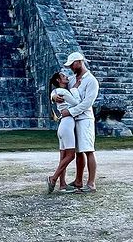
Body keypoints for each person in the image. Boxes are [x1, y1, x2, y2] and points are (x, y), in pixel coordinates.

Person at [55, 51, 99, 193]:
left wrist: (70, 112)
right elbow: (61, 91)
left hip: (85, 118)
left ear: (79, 62)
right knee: (79, 152)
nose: (71, 68)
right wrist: (53, 97)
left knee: (88, 150)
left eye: (72, 64)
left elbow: (87, 103)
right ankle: (78, 180)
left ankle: (91, 183)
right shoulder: (73, 80)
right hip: (74, 120)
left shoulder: (91, 81)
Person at [46, 72, 81, 193]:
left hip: (62, 126)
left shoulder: (56, 92)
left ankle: (62, 185)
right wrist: (75, 89)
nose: (66, 77)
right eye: (63, 76)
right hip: (67, 125)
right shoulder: (64, 92)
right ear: (58, 80)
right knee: (71, 155)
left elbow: (53, 94)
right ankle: (53, 178)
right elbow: (77, 104)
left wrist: (52, 96)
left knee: (63, 157)